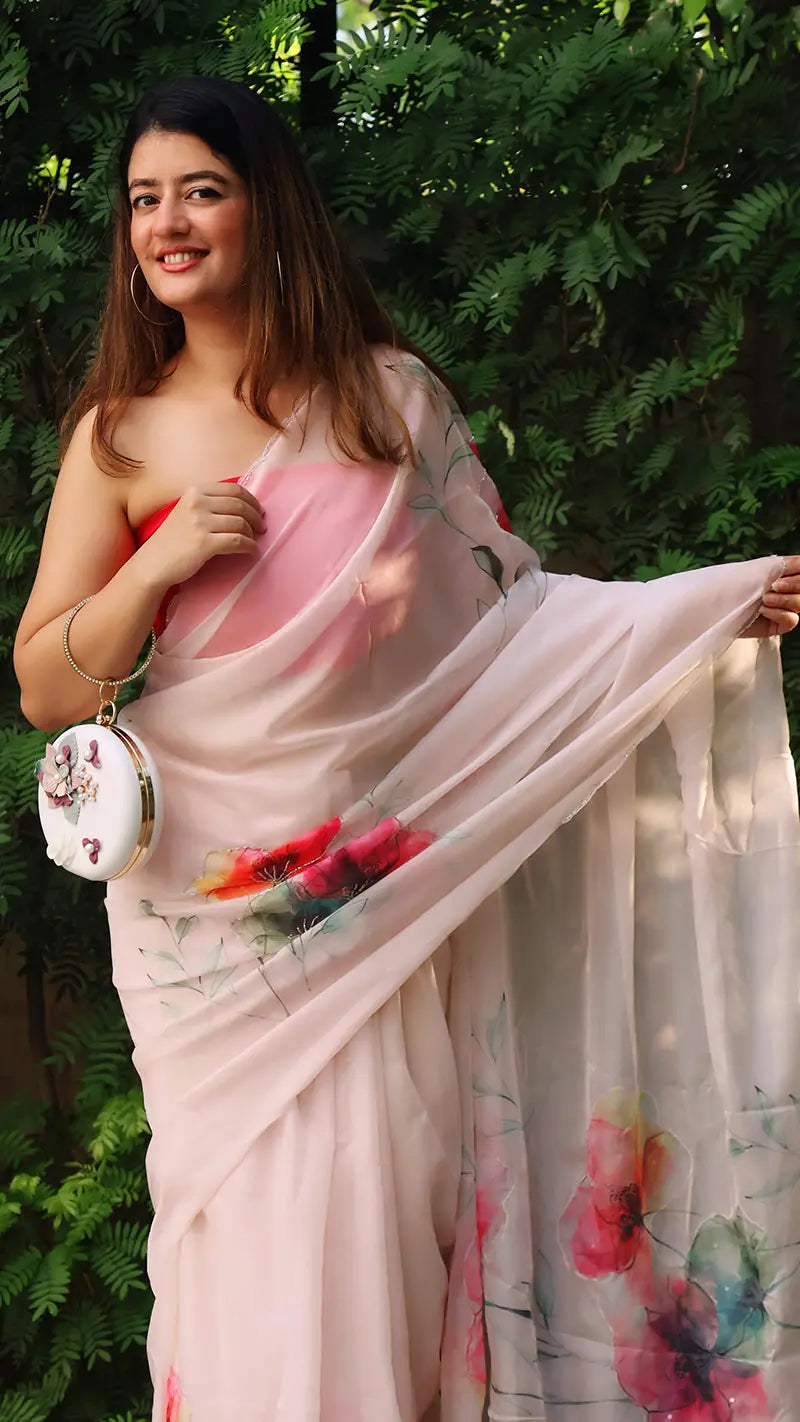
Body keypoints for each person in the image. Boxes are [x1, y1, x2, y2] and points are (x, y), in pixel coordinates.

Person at [14, 75, 800, 1422]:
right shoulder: (119, 435)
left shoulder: (388, 406)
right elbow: (44, 679)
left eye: (200, 189)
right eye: (145, 201)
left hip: (370, 893)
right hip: (209, 912)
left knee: (378, 1203)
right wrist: (162, 570)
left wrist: (696, 607)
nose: (167, 223)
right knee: (243, 1225)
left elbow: (515, 627)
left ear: (270, 211)